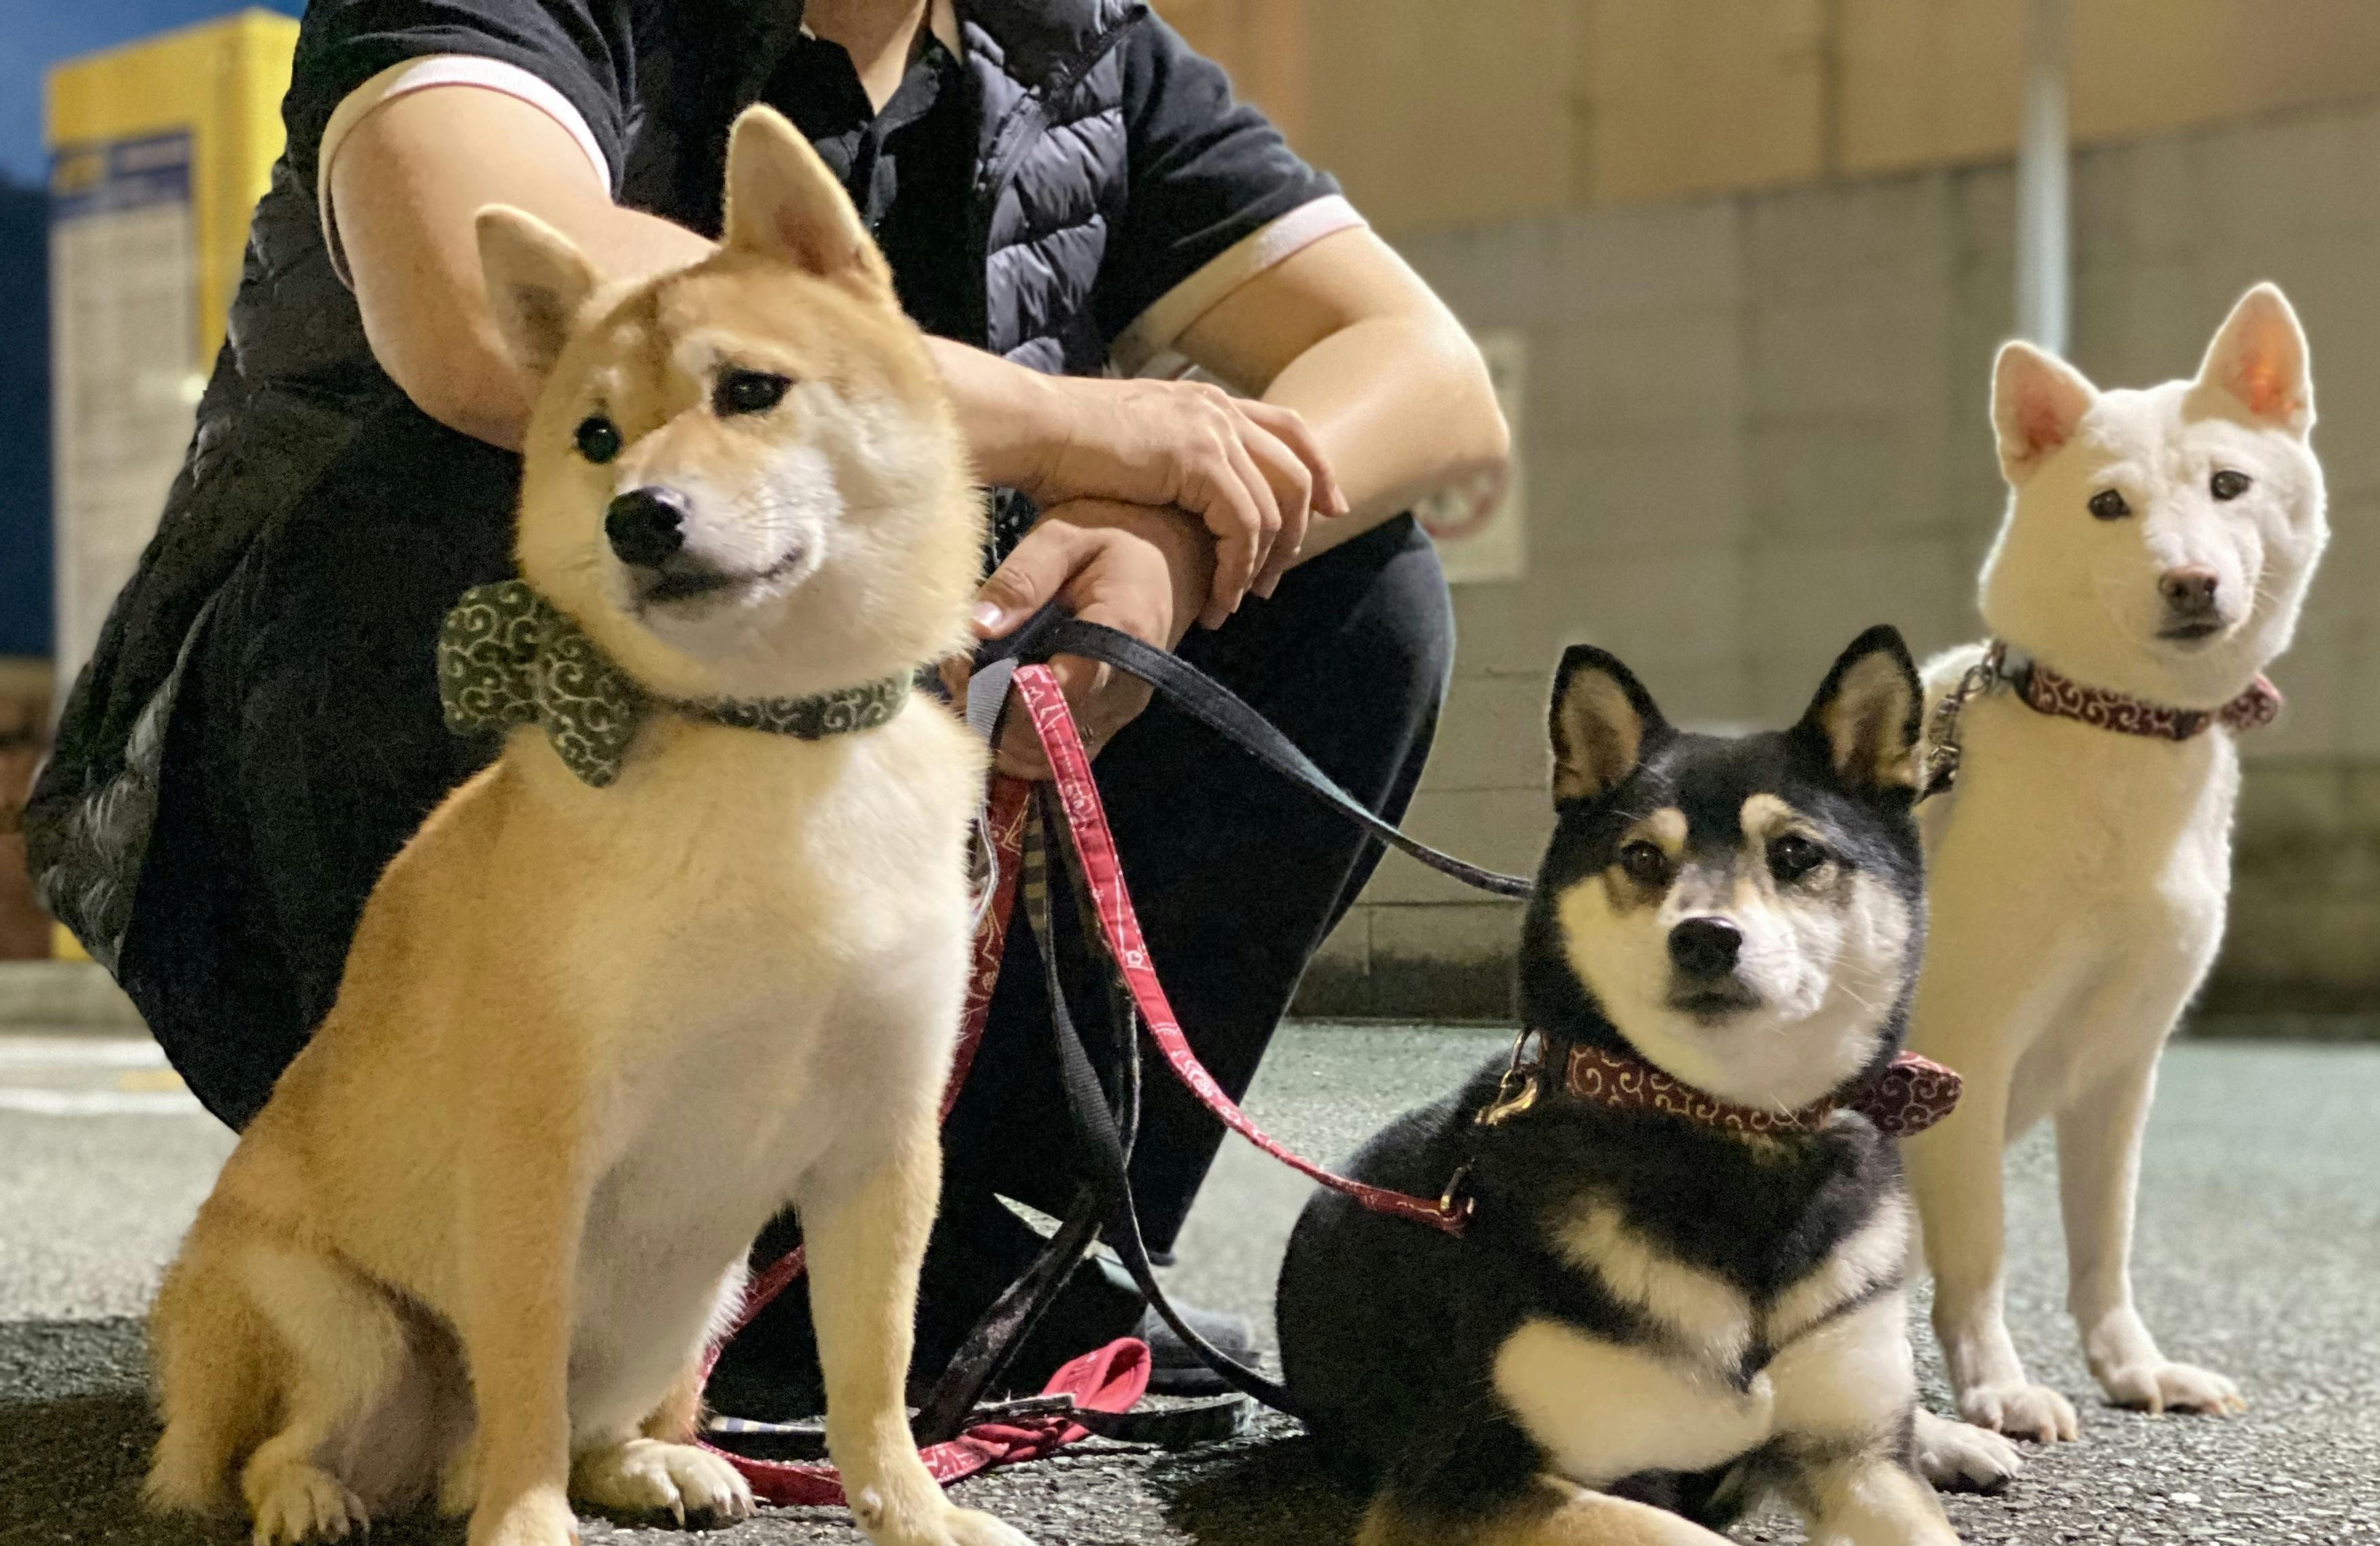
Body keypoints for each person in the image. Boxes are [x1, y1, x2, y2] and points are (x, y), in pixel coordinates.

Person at [24, 0, 1507, 1409]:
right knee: (550, 465)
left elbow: (1431, 373)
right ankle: (565, 1251)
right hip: (356, 792)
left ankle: (978, 1248)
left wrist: (1171, 536)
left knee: (1350, 583)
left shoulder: (1083, 49)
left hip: (868, 795)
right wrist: (1082, 424)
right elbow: (469, 303)